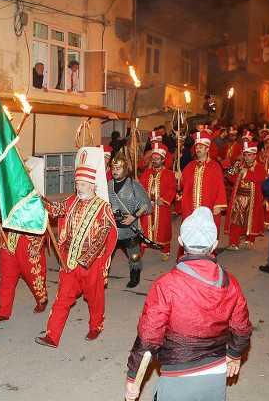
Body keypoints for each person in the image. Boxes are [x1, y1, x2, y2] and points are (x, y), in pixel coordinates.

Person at [124, 207, 252, 401]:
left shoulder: (166, 285)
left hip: (178, 382)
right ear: (214, 245)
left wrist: (133, 379)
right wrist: (234, 354)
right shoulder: (230, 282)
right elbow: (242, 328)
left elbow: (148, 339)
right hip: (215, 378)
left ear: (181, 242)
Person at [37, 161, 117, 347]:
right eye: (77, 184)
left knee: (95, 298)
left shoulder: (103, 207)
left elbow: (107, 235)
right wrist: (39, 199)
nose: (78, 187)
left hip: (92, 263)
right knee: (62, 298)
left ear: (91, 185)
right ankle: (52, 335)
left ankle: (96, 326)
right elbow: (56, 210)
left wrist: (88, 259)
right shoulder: (72, 200)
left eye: (82, 184)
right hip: (69, 260)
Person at [108, 154, 152, 288]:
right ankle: (102, 275)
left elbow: (146, 205)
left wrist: (134, 216)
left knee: (134, 256)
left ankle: (135, 275)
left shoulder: (134, 186)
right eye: (113, 168)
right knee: (105, 255)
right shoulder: (108, 185)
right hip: (113, 228)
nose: (115, 171)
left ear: (125, 169)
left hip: (129, 229)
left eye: (118, 168)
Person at [0, 227, 48, 324]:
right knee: (6, 279)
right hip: (8, 241)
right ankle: (3, 312)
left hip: (28, 241)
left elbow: (42, 217)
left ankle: (41, 299)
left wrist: (37, 242)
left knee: (34, 276)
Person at [179, 131, 227, 235]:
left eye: (201, 147)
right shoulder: (190, 166)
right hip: (190, 207)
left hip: (208, 207)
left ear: (207, 149)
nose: (198, 149)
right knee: (190, 236)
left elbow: (220, 187)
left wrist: (219, 205)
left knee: (207, 235)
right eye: (197, 147)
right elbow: (183, 184)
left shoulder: (215, 166)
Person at [225, 141, 267, 250]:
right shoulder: (240, 165)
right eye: (245, 155)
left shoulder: (260, 167)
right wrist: (231, 171)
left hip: (253, 199)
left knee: (252, 220)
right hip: (239, 198)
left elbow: (260, 178)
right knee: (236, 220)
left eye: (249, 155)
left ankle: (249, 240)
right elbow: (232, 179)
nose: (247, 157)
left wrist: (245, 173)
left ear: (254, 155)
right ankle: (234, 242)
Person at [140, 142, 177, 261]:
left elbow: (172, 189)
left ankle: (165, 250)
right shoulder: (147, 172)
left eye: (157, 158)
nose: (155, 160)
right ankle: (141, 249)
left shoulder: (169, 174)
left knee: (163, 229)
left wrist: (165, 199)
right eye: (153, 158)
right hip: (147, 206)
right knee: (144, 228)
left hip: (161, 206)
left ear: (163, 159)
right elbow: (140, 187)